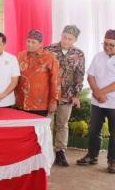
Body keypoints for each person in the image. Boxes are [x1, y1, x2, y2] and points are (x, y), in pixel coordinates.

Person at [45, 25, 85, 167]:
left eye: (70, 39)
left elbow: (79, 75)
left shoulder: (78, 54)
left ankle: (60, 152)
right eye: (64, 37)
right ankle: (46, 152)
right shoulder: (48, 50)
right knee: (47, 124)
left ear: (75, 39)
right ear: (61, 34)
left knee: (62, 124)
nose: (66, 41)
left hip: (67, 95)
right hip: (48, 95)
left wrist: (76, 94)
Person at [77, 29, 115, 174]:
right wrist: (96, 92)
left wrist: (101, 92)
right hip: (97, 102)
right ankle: (92, 156)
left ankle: (113, 161)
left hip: (113, 103)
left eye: (111, 45)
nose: (107, 48)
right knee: (94, 130)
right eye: (105, 44)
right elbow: (90, 75)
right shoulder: (99, 56)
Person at [15, 29, 60, 116]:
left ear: (40, 44)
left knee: (38, 129)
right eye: (28, 41)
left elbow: (55, 81)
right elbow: (15, 77)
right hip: (20, 102)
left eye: (33, 42)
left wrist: (53, 101)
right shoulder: (21, 55)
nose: (29, 44)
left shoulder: (50, 58)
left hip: (40, 105)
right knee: (22, 129)